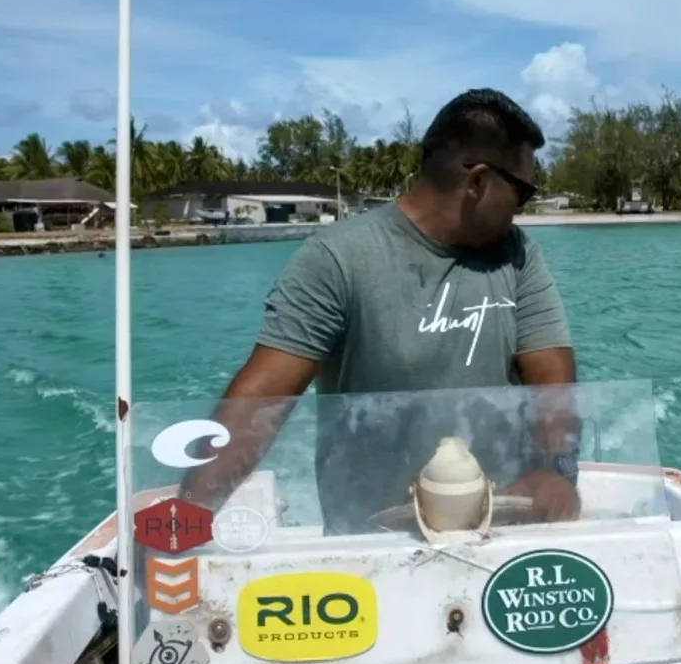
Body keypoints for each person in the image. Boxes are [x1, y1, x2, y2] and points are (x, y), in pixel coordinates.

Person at [181, 88, 580, 533]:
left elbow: (552, 380)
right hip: (375, 536)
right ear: (478, 182)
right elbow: (262, 399)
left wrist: (556, 470)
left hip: (500, 520)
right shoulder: (338, 258)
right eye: (521, 191)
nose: (520, 208)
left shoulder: (518, 255)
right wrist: (188, 517)